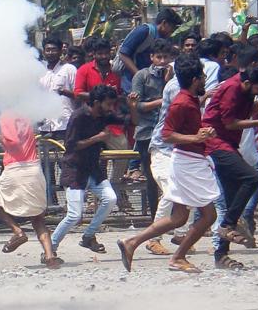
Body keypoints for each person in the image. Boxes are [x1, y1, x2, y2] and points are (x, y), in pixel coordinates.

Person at [117, 54, 219, 273]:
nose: (204, 80)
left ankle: (132, 243)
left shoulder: (189, 100)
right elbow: (167, 134)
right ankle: (178, 257)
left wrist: (200, 134)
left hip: (188, 161)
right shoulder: (182, 103)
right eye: (202, 76)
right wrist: (197, 138)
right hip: (189, 163)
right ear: (194, 80)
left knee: (179, 217)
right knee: (210, 215)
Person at [201, 66, 258, 270]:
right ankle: (227, 225)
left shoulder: (246, 90)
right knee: (253, 178)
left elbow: (251, 109)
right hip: (216, 142)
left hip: (228, 144)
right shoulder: (232, 88)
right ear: (248, 83)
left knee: (232, 197)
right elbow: (230, 123)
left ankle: (221, 254)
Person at [50, 85, 138, 254]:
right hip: (75, 170)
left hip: (93, 169)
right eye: (108, 104)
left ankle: (88, 236)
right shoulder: (79, 116)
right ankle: (51, 247)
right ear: (97, 102)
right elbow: (72, 145)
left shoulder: (104, 115)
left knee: (110, 198)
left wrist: (132, 106)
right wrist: (97, 138)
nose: (111, 108)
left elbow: (132, 121)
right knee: (74, 215)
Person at [0, 113, 63, 269]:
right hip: (34, 168)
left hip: (16, 168)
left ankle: (17, 232)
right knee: (38, 218)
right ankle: (49, 257)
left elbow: (13, 141)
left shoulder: (7, 115)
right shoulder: (26, 113)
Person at [73, 37, 131, 209]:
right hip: (90, 121)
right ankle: (93, 199)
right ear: (94, 54)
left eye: (106, 53)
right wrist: (98, 96)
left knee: (124, 152)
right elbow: (77, 93)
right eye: (100, 53)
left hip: (112, 122)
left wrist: (115, 97)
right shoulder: (84, 70)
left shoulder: (116, 72)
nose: (103, 56)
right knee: (93, 160)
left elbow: (122, 97)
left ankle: (114, 186)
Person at [130, 39, 173, 218]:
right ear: (152, 58)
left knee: (169, 176)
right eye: (158, 57)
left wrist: (168, 81)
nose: (162, 61)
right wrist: (161, 101)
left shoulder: (173, 76)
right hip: (146, 132)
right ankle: (155, 216)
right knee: (151, 177)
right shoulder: (142, 76)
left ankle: (169, 215)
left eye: (165, 57)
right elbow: (136, 105)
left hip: (168, 133)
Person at [116, 9, 182, 92]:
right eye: (172, 27)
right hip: (131, 83)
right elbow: (123, 54)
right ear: (164, 23)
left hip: (151, 85)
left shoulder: (165, 38)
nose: (173, 31)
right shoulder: (144, 31)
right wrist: (140, 76)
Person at [38, 38, 77, 140]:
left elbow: (77, 94)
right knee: (46, 154)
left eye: (54, 49)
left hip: (65, 123)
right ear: (44, 52)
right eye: (48, 50)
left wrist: (64, 92)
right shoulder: (39, 70)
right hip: (44, 125)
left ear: (60, 51)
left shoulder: (69, 69)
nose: (50, 53)